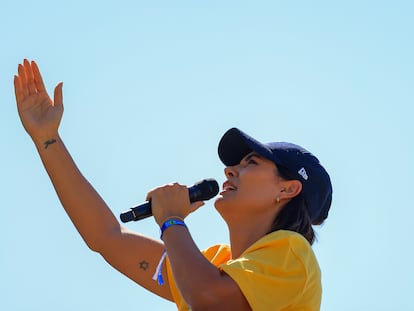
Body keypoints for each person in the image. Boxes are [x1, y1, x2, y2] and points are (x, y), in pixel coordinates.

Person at [14, 59, 332, 311]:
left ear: (288, 189)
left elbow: (210, 300)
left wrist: (172, 221)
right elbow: (106, 238)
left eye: (250, 163)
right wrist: (47, 138)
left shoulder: (292, 252)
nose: (230, 171)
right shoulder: (213, 264)